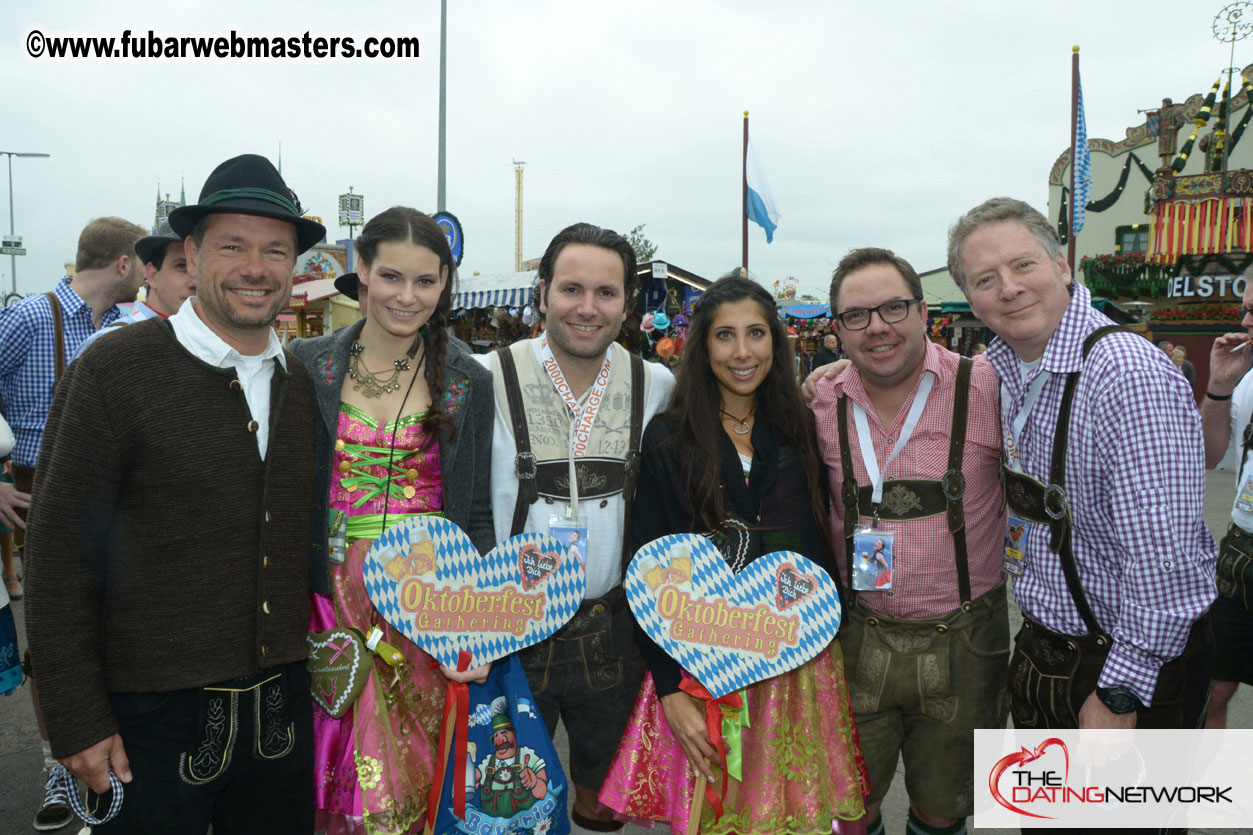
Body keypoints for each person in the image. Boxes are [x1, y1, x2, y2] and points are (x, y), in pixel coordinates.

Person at [24, 153, 325, 833]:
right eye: (233, 246)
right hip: (148, 722)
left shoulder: (298, 381)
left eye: (275, 250)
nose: (256, 266)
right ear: (191, 253)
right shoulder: (113, 371)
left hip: (279, 716)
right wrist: (75, 716)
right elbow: (57, 555)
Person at [599, 273, 867, 835]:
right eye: (725, 336)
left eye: (755, 333)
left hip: (794, 659)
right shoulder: (669, 438)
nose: (742, 352)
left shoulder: (799, 427)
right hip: (700, 662)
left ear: (775, 340)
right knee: (711, 817)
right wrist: (670, 688)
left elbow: (818, 542)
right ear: (703, 346)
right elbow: (645, 571)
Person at [947, 197, 1214, 731]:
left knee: (1119, 817)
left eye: (1024, 265)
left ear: (1062, 265)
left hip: (1126, 668)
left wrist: (1122, 691)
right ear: (972, 301)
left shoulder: (1126, 372)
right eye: (985, 279)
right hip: (1046, 650)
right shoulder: (1004, 368)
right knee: (1047, 817)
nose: (1009, 288)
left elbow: (1167, 557)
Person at [290, 206, 494, 834]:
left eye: (425, 282)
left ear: (444, 284)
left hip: (425, 600)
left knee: (418, 775)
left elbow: (477, 508)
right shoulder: (307, 364)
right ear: (361, 271)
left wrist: (477, 623)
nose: (407, 297)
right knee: (334, 767)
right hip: (331, 596)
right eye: (391, 277)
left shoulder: (467, 380)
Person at [476, 222, 674, 831]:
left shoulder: (657, 384)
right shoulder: (485, 376)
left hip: (611, 628)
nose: (587, 308)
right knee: (510, 802)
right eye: (571, 289)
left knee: (601, 801)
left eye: (606, 293)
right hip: (511, 628)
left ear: (627, 304)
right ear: (542, 293)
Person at [810, 248, 1008, 835]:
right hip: (855, 634)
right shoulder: (819, 400)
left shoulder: (989, 387)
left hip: (967, 639)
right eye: (856, 315)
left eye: (892, 307)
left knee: (943, 810)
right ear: (837, 329)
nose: (877, 327)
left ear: (924, 312)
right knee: (850, 808)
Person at [0, 214, 146, 832]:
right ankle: (57, 766)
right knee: (54, 634)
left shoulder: (118, 326)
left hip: (103, 494)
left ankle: (103, 755)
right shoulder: (32, 315)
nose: (147, 272)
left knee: (105, 626)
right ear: (123, 264)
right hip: (32, 488)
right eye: (144, 260)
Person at [1200, 285, 1253, 728]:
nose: (1245, 323)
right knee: (1212, 686)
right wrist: (1219, 386)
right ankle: (1208, 791)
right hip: (1241, 550)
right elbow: (1208, 456)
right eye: (1246, 310)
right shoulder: (1247, 377)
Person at [72, 219, 196, 358]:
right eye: (182, 266)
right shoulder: (109, 345)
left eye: (203, 269)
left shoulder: (204, 341)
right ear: (153, 275)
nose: (195, 281)